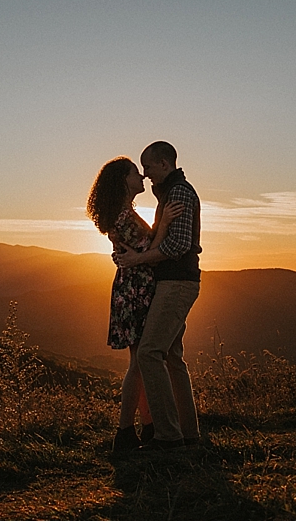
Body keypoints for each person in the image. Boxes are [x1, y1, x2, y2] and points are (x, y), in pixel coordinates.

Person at [86, 156, 183, 453]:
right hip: (135, 289)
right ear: (122, 181)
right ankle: (125, 431)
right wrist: (164, 223)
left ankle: (146, 425)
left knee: (140, 362)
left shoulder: (123, 212)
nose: (141, 176)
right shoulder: (122, 216)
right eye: (134, 173)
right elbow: (148, 250)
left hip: (134, 288)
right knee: (139, 363)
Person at [115, 141, 202, 450]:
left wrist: (137, 259)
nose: (145, 173)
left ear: (164, 164)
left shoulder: (177, 192)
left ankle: (168, 436)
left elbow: (177, 246)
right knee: (173, 358)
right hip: (174, 282)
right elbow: (158, 238)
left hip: (175, 282)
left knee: (150, 353)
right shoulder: (169, 192)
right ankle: (188, 434)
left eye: (148, 166)